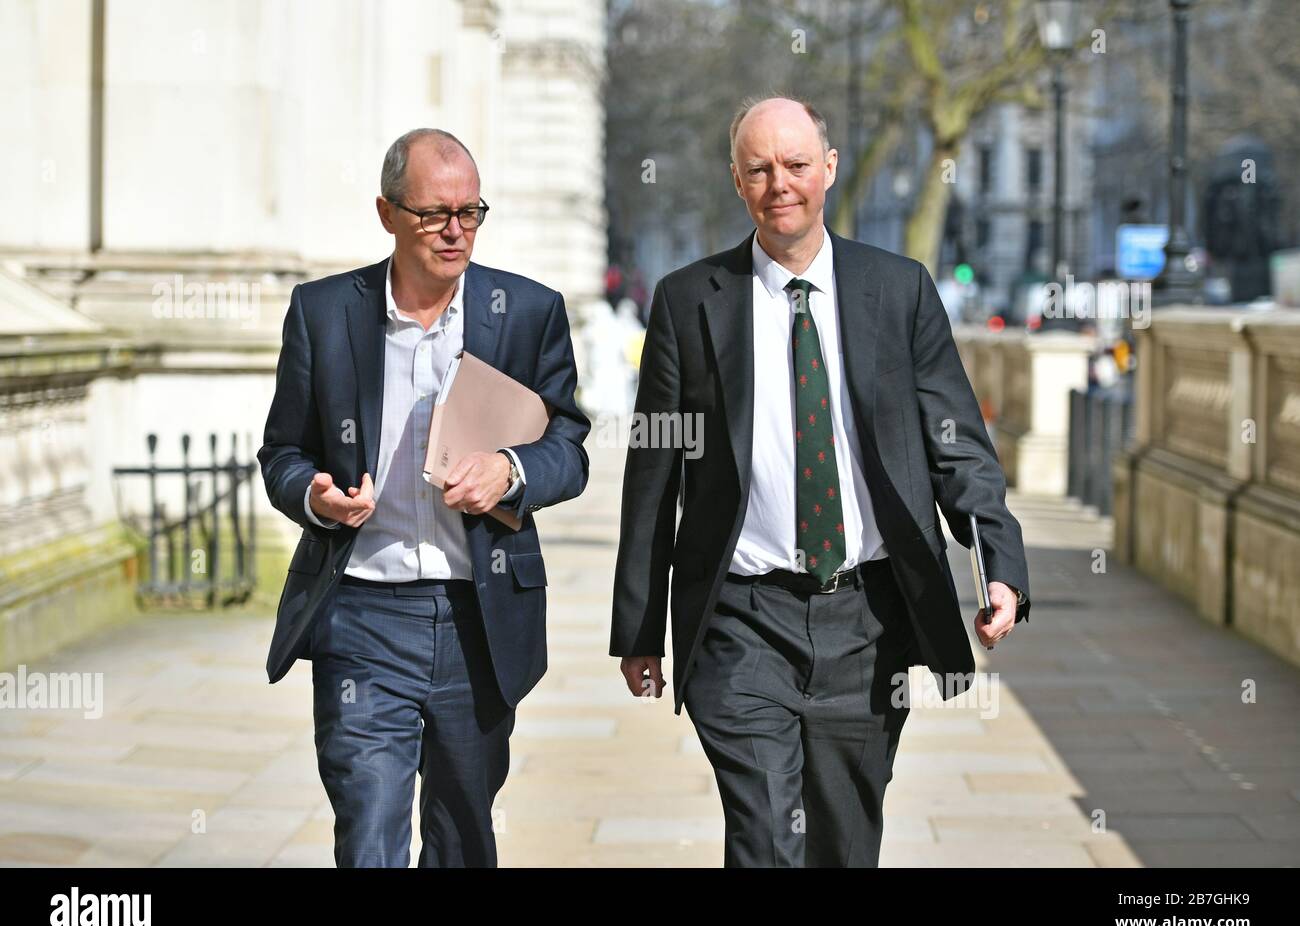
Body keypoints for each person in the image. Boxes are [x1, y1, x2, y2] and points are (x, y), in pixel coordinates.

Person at [610, 95, 1030, 867]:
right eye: (760, 168)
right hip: (740, 619)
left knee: (842, 840)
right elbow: (652, 473)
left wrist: (999, 563)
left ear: (828, 170)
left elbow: (957, 445)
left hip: (867, 619)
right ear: (737, 181)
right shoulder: (686, 301)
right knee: (766, 835)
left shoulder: (897, 292)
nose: (781, 184)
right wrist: (639, 626)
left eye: (797, 164)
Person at [259, 128, 590, 867]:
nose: (455, 231)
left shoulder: (528, 311)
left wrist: (511, 470)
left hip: (477, 616)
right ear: (386, 213)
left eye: (470, 212)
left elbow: (569, 449)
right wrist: (313, 496)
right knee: (369, 825)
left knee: (462, 834)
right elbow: (281, 451)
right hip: (360, 616)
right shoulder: (323, 313)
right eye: (434, 214)